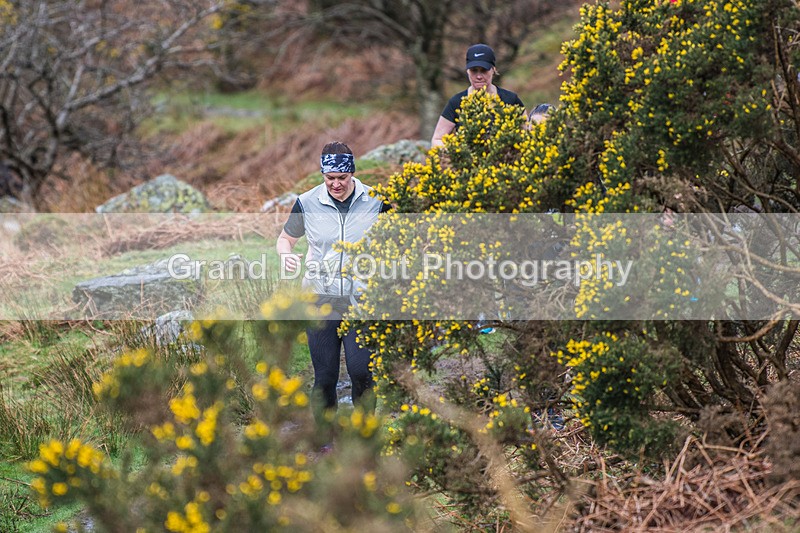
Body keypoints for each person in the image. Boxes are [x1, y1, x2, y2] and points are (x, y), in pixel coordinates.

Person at [276, 142, 390, 425]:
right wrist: (286, 255)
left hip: (361, 298)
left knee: (361, 371)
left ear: (352, 173)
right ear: (323, 175)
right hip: (319, 296)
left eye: (342, 178)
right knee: (325, 375)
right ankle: (325, 437)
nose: (336, 184)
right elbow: (285, 239)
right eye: (330, 178)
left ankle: (365, 434)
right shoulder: (308, 202)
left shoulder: (375, 200)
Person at [430, 43, 526, 147]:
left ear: (493, 70)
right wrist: (455, 155)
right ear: (467, 71)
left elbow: (527, 134)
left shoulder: (510, 100)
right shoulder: (457, 102)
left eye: (484, 70)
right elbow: (437, 139)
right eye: (474, 71)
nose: (479, 76)